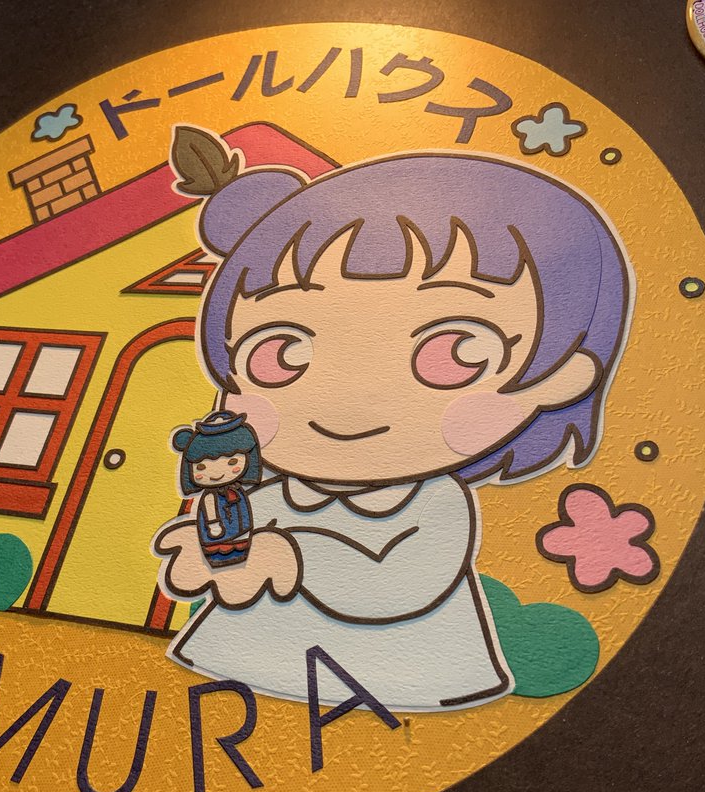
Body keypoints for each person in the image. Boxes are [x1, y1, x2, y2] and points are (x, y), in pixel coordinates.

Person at [154, 127, 633, 711]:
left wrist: (293, 559)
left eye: (452, 351)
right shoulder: (276, 489)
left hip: (397, 680)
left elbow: (400, 583)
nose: (345, 399)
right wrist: (202, 549)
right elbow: (245, 537)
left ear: (561, 376)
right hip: (236, 662)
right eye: (281, 354)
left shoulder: (433, 503)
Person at [171, 411, 261, 568]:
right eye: (201, 467)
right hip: (218, 534)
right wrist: (214, 525)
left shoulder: (236, 491)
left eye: (232, 462)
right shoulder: (211, 496)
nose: (216, 473)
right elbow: (210, 510)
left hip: (241, 529)